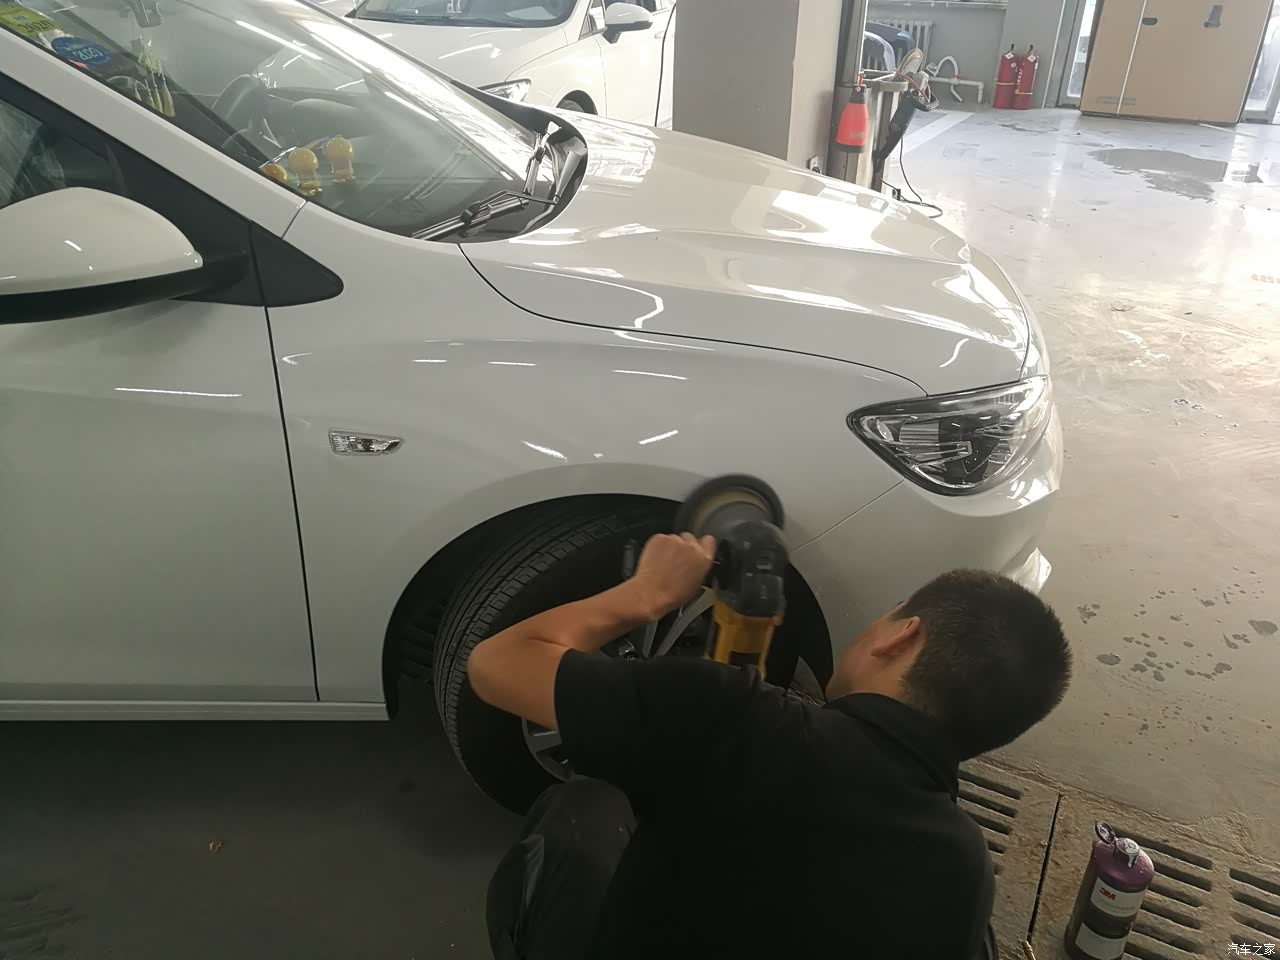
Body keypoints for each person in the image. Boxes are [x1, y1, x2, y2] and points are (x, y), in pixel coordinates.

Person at [468, 533, 1072, 959]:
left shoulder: (725, 720)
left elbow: (497, 663)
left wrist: (645, 593)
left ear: (902, 636)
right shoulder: (965, 871)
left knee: (584, 804)